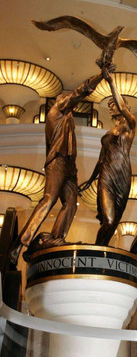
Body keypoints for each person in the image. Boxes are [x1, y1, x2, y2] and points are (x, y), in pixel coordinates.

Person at [9, 71, 105, 263]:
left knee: (70, 204)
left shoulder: (67, 120)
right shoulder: (57, 111)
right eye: (67, 101)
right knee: (49, 199)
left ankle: (56, 238)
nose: (70, 104)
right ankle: (20, 244)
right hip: (58, 162)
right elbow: (80, 92)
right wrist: (100, 76)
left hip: (70, 165)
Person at [79, 66, 136, 246]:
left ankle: (100, 250)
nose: (111, 108)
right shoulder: (110, 131)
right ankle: (97, 250)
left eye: (114, 105)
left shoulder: (130, 125)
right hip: (106, 175)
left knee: (113, 222)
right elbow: (101, 159)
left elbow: (122, 106)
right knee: (108, 220)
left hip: (122, 175)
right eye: (110, 106)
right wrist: (90, 180)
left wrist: (111, 83)